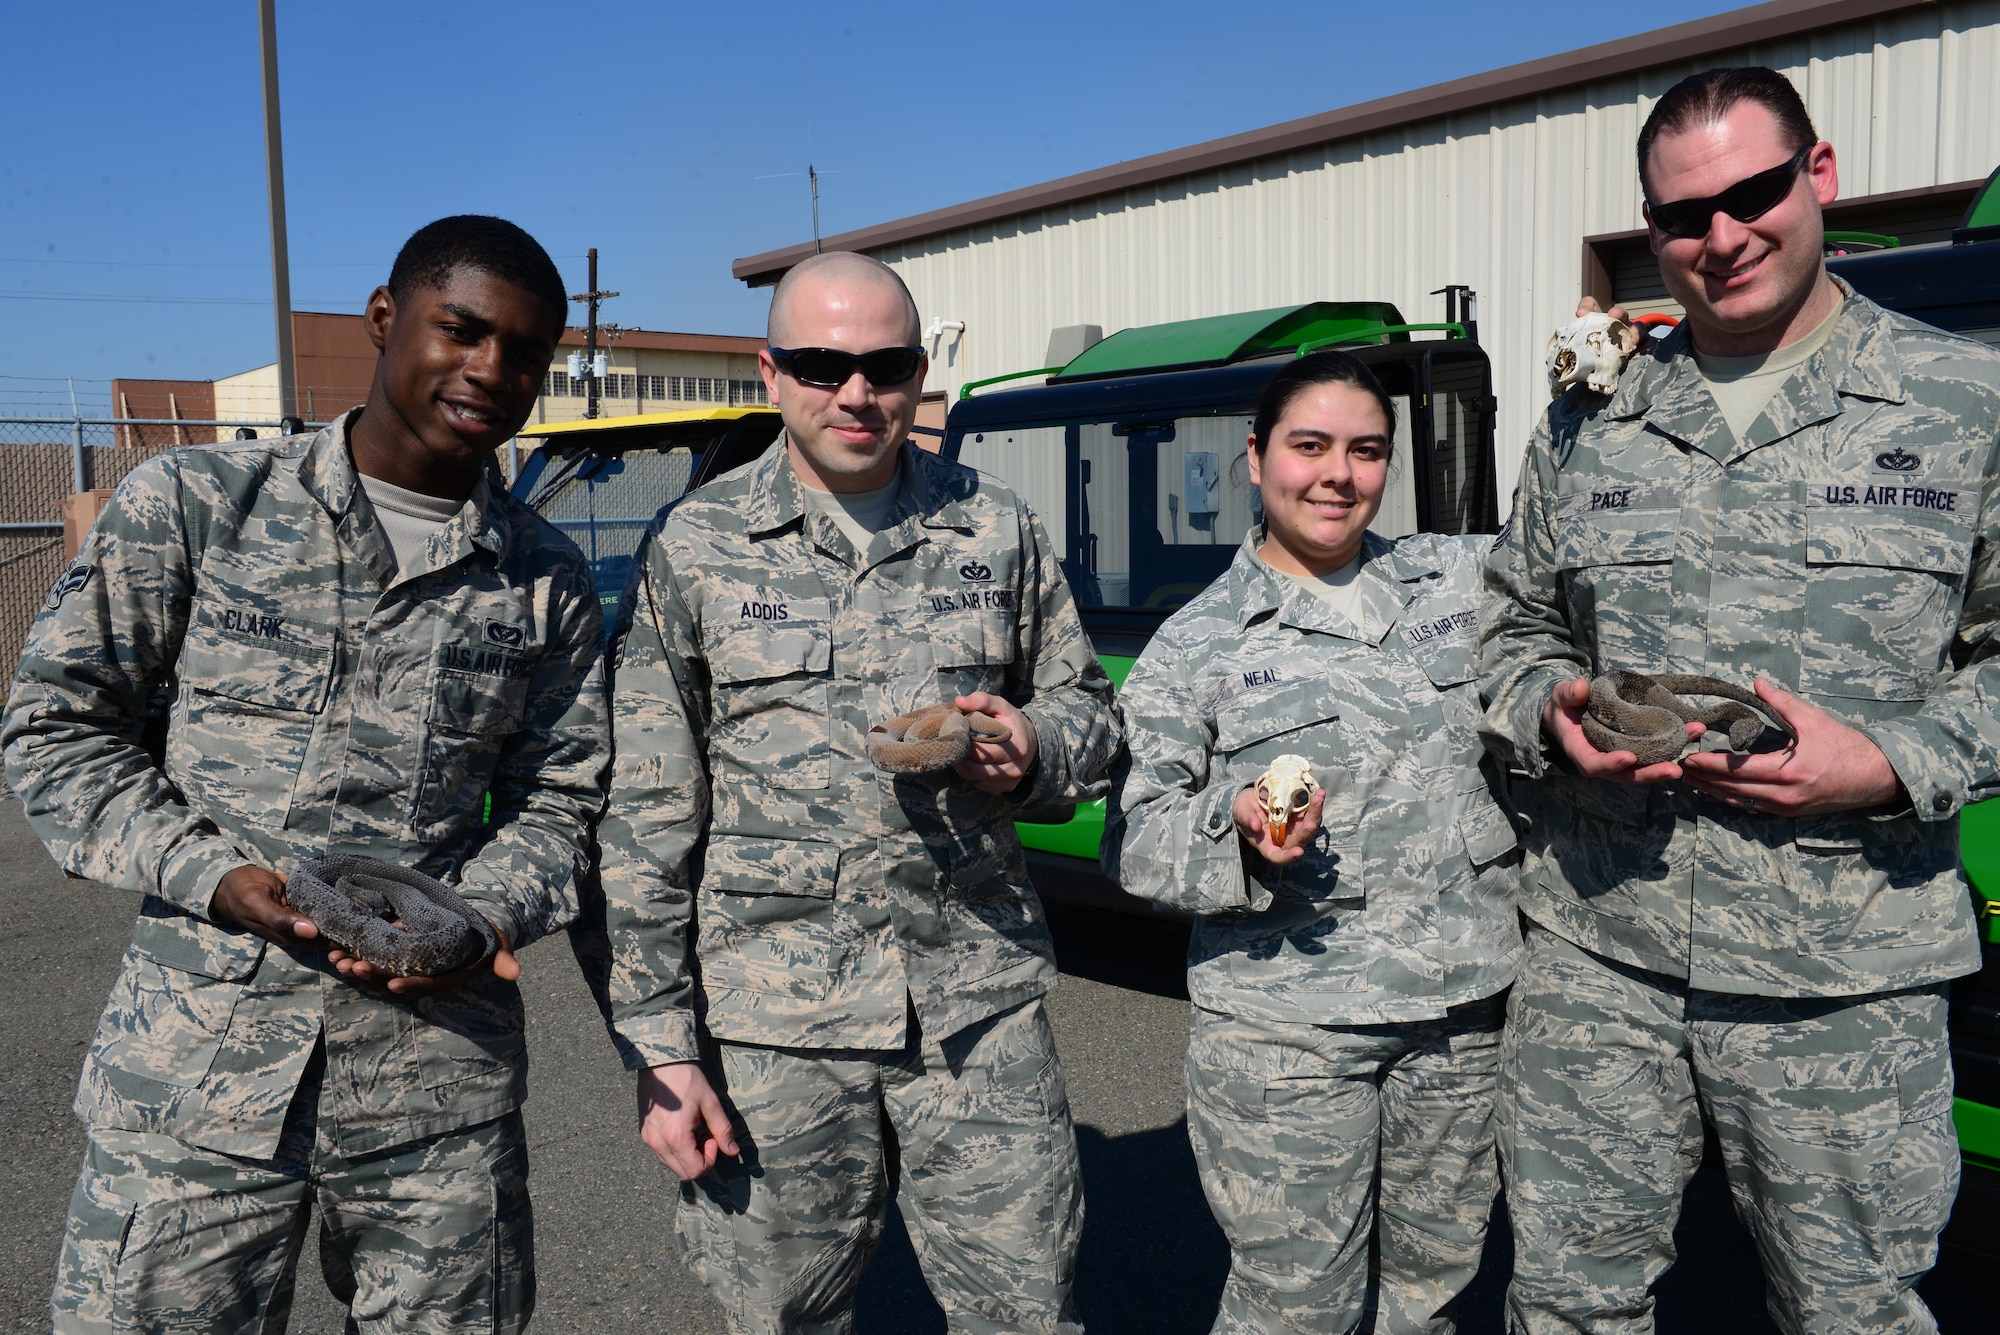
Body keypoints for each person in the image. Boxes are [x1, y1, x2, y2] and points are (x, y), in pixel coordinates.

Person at [3, 215, 610, 1334]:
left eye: (525, 354)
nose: (491, 371)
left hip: (436, 1094)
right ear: (385, 321)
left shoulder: (542, 578)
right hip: (196, 1086)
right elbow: (56, 727)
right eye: (461, 330)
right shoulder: (196, 506)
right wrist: (211, 874)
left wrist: (480, 920)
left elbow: (566, 798)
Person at [1481, 67, 2000, 1333]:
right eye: (1679, 216)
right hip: (1601, 954)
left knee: (1853, 1313)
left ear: (1816, 177)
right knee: (1566, 1306)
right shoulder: (1587, 423)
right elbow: (1512, 623)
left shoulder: (1962, 407)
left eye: (1753, 192)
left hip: (1845, 976)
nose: (1720, 237)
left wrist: (1886, 761)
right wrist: (1546, 709)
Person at [589, 249, 1120, 1334]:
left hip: (974, 1005)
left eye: (885, 365)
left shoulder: (997, 527)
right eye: (823, 363)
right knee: (780, 1315)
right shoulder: (696, 547)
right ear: (771, 371)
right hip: (774, 1023)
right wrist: (660, 1044)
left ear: (920, 373)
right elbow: (648, 809)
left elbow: (1089, 716)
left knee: (1023, 1312)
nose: (856, 393)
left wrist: (1034, 743)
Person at [1104, 350, 1521, 1334]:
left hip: (1461, 1018)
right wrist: (1233, 831)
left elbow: (1570, 544)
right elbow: (1133, 835)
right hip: (1286, 1036)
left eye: (1364, 451)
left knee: (1431, 1297)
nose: (1337, 473)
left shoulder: (1454, 580)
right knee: (1295, 1307)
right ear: (1255, 459)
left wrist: (1597, 394)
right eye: (1309, 446)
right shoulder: (1197, 646)